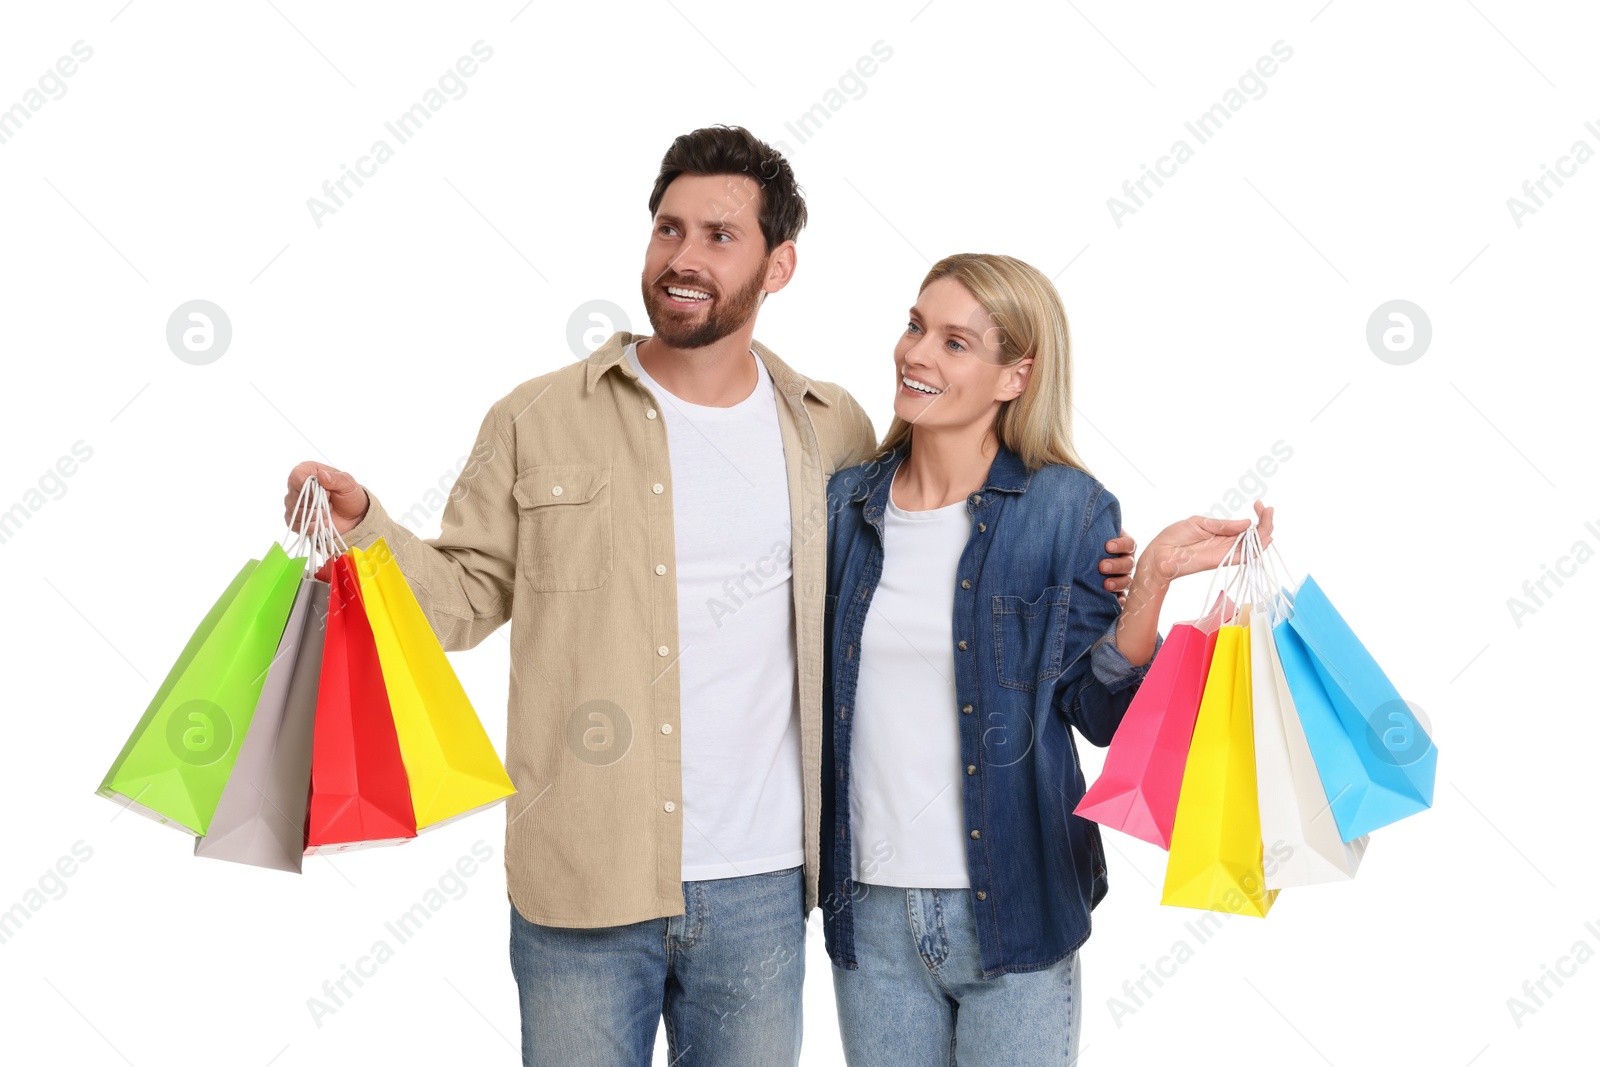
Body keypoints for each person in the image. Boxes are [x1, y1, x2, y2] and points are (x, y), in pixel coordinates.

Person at [281, 128, 1142, 1066]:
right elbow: (458, 603)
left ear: (780, 265)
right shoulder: (537, 417)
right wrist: (367, 523)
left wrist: (1082, 564)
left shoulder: (834, 431)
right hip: (585, 877)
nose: (684, 259)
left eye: (719, 237)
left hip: (765, 891)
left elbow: (941, 538)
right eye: (668, 229)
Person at [819, 253, 1272, 1064]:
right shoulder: (844, 505)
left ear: (1014, 376)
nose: (917, 353)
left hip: (1018, 903)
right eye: (916, 326)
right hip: (872, 916)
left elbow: (1097, 713)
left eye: (956, 343)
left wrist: (1154, 580)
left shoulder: (1068, 508)